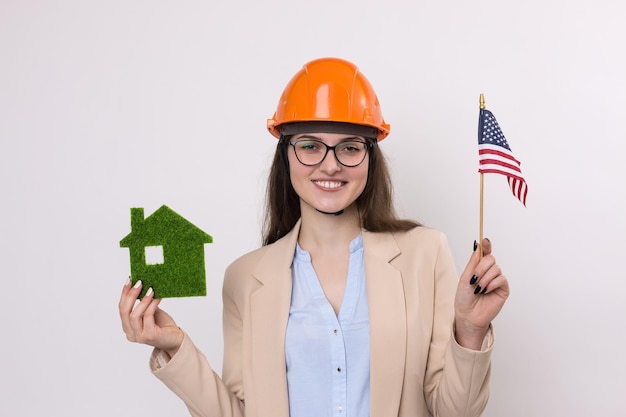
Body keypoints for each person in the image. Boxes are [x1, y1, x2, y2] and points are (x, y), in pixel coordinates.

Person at [119, 57, 509, 417]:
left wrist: (470, 330)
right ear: (285, 154)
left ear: (371, 157)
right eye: (310, 146)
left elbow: (455, 411)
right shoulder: (245, 279)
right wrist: (174, 348)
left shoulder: (425, 253)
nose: (331, 165)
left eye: (350, 148)